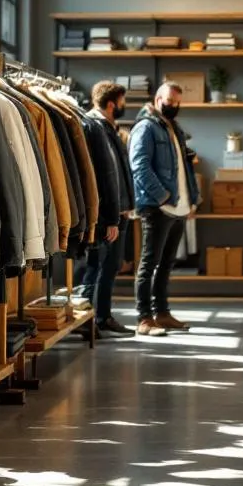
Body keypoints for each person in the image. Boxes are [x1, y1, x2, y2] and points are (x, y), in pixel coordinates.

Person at [129, 81, 200, 337]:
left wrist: (191, 200)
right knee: (149, 263)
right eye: (170, 101)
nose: (174, 106)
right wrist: (162, 197)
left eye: (178, 103)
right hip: (157, 207)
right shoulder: (146, 127)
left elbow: (185, 168)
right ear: (157, 98)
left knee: (167, 264)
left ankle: (162, 313)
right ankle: (144, 318)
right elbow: (139, 166)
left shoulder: (174, 128)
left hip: (179, 207)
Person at [80, 81, 137, 337]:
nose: (124, 107)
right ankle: (87, 320)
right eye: (123, 102)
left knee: (110, 266)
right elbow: (106, 174)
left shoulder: (109, 128)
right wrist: (112, 218)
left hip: (119, 212)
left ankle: (102, 317)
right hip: (108, 216)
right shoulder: (95, 127)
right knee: (95, 266)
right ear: (112, 103)